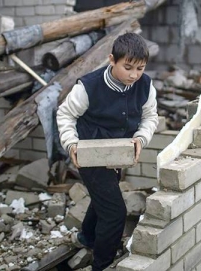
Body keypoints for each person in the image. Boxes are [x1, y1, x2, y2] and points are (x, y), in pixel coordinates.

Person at [56, 32, 158, 270]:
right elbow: (65, 114)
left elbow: (150, 116)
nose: (134, 75)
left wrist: (141, 138)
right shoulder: (88, 87)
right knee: (114, 213)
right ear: (112, 60)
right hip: (89, 155)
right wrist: (71, 143)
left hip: (117, 154)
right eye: (128, 67)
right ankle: (102, 264)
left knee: (105, 195)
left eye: (140, 68)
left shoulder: (145, 85)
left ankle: (86, 238)